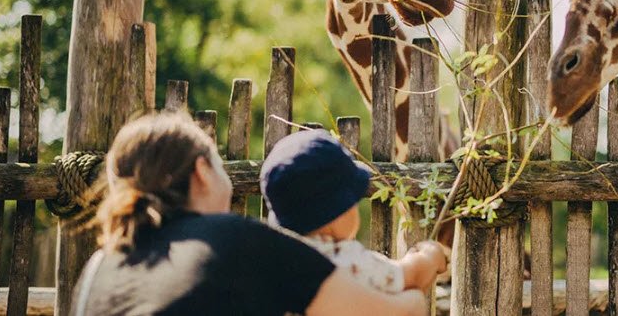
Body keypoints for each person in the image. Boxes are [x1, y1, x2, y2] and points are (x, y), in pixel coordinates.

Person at [72, 112, 427, 316]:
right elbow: (388, 312)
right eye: (219, 164)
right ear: (202, 172)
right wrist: (417, 294)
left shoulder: (99, 267)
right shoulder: (233, 239)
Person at [260, 129, 448, 294]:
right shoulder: (346, 261)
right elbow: (411, 276)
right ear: (335, 214)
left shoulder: (267, 258)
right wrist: (430, 255)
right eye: (354, 201)